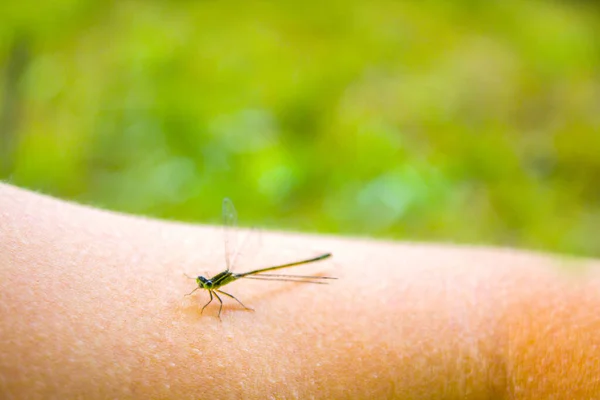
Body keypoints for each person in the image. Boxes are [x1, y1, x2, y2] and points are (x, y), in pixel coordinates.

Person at [1, 182, 599, 399]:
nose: (206, 287)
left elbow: (223, 299)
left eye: (208, 284)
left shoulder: (226, 288)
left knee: (277, 279)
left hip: (293, 266)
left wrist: (218, 298)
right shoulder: (209, 282)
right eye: (208, 284)